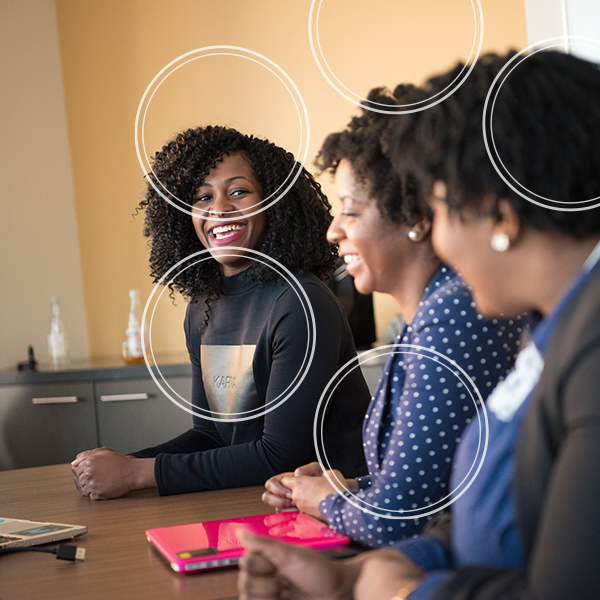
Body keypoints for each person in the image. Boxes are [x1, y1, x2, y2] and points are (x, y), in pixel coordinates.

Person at [237, 50, 600, 600]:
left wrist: (399, 591)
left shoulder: (588, 347)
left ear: (499, 213)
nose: (439, 240)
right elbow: (484, 510)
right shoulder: (554, 329)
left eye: (441, 211)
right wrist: (353, 575)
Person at [261, 86, 523, 547]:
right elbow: (432, 485)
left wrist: (323, 501)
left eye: (351, 212)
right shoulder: (428, 313)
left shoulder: (454, 314)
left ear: (415, 217)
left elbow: (399, 520)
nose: (333, 230)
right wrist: (347, 487)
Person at [71, 125, 371, 500]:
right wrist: (123, 464)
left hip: (334, 511)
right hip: (250, 499)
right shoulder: (203, 306)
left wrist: (136, 473)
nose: (219, 209)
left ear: (273, 202)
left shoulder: (301, 302)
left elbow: (281, 454)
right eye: (202, 196)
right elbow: (212, 435)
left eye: (239, 192)